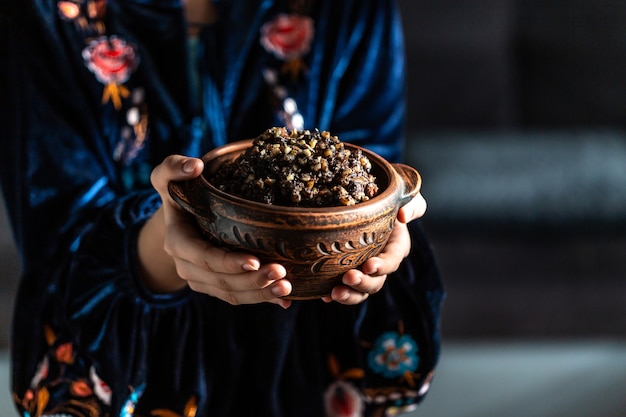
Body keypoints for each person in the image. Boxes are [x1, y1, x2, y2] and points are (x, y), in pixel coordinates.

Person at [0, 0, 445, 416]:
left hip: (301, 355)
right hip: (144, 364)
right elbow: (57, 240)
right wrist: (167, 243)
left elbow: (369, 167)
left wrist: (384, 228)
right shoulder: (43, 13)